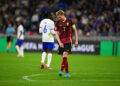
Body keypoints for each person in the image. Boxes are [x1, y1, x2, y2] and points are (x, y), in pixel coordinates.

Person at [55, 10, 78, 77]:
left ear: (63, 15)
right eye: (58, 17)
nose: (59, 18)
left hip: (68, 41)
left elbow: (75, 30)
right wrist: (59, 42)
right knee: (64, 58)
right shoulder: (57, 23)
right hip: (61, 42)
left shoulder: (70, 21)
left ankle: (61, 71)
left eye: (60, 17)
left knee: (65, 54)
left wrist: (76, 40)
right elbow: (56, 33)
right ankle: (67, 73)